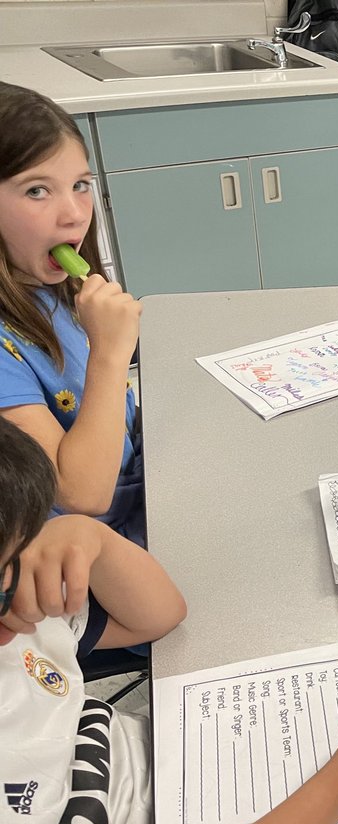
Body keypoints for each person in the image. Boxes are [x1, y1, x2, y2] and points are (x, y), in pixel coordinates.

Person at [0, 417, 338, 824]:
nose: (17, 599)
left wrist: (88, 536)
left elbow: (158, 616)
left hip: (192, 765)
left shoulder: (15, 608)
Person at [0, 82, 145, 545]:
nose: (74, 215)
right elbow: (83, 494)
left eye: (80, 185)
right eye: (37, 190)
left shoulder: (52, 286)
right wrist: (110, 352)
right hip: (84, 547)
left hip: (140, 489)